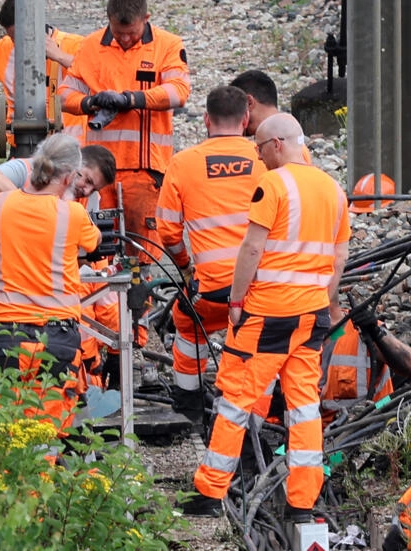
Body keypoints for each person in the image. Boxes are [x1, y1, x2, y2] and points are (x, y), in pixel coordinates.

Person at [185, 113, 350, 520]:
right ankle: (302, 503)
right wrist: (322, 300)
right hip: (311, 315)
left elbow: (252, 249)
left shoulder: (274, 184)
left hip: (267, 315)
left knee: (236, 400)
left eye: (258, 150)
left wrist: (236, 301)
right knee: (304, 407)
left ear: (276, 143)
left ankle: (210, 492)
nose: (258, 160)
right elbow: (340, 256)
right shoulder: (334, 189)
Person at [0, 133, 101, 437]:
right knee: (46, 436)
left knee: (2, 433)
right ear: (69, 176)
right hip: (57, 338)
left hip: (5, 334)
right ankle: (40, 483)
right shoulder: (73, 214)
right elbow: (94, 242)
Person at [155, 85, 266, 423]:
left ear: (205, 119)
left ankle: (189, 403)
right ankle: (259, 411)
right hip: (261, 289)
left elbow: (168, 232)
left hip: (213, 289)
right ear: (246, 119)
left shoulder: (183, 163)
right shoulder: (265, 158)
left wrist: (186, 268)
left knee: (187, 323)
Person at [60, 0, 190, 267]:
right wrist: (90, 103)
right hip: (98, 171)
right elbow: (64, 95)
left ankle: (141, 306)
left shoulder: (168, 45)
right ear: (108, 19)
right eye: (119, 33)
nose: (126, 38)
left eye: (131, 32)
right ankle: (97, 305)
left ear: (146, 18)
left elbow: (179, 92)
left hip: (144, 170)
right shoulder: (90, 46)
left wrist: (132, 100)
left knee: (140, 253)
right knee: (95, 246)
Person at [0, 0, 86, 156]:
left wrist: (59, 56)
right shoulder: (4, 48)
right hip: (22, 148)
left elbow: (95, 76)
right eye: (13, 38)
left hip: (69, 152)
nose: (18, 44)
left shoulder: (74, 44)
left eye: (23, 38)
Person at [320, 305, 411, 426]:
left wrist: (376, 333)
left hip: (377, 419)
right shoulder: (296, 340)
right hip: (319, 434)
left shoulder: (360, 328)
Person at [230, 69, 313, 163]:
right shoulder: (299, 149)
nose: (234, 119)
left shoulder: (264, 152)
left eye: (235, 109)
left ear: (249, 103)